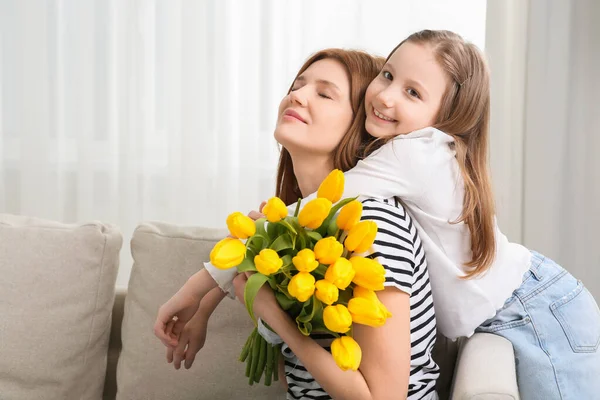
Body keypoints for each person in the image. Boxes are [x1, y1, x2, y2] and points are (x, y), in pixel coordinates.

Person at [239, 30, 600, 399]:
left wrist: (244, 282)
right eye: (388, 76)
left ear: (445, 119)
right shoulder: (362, 201)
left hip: (536, 304)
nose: (384, 97)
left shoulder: (403, 175)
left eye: (325, 93)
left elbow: (312, 209)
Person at [156, 48, 440, 399]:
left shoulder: (371, 220)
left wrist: (274, 316)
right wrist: (204, 305)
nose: (297, 95)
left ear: (360, 122)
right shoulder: (292, 230)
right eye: (298, 85)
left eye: (323, 94)